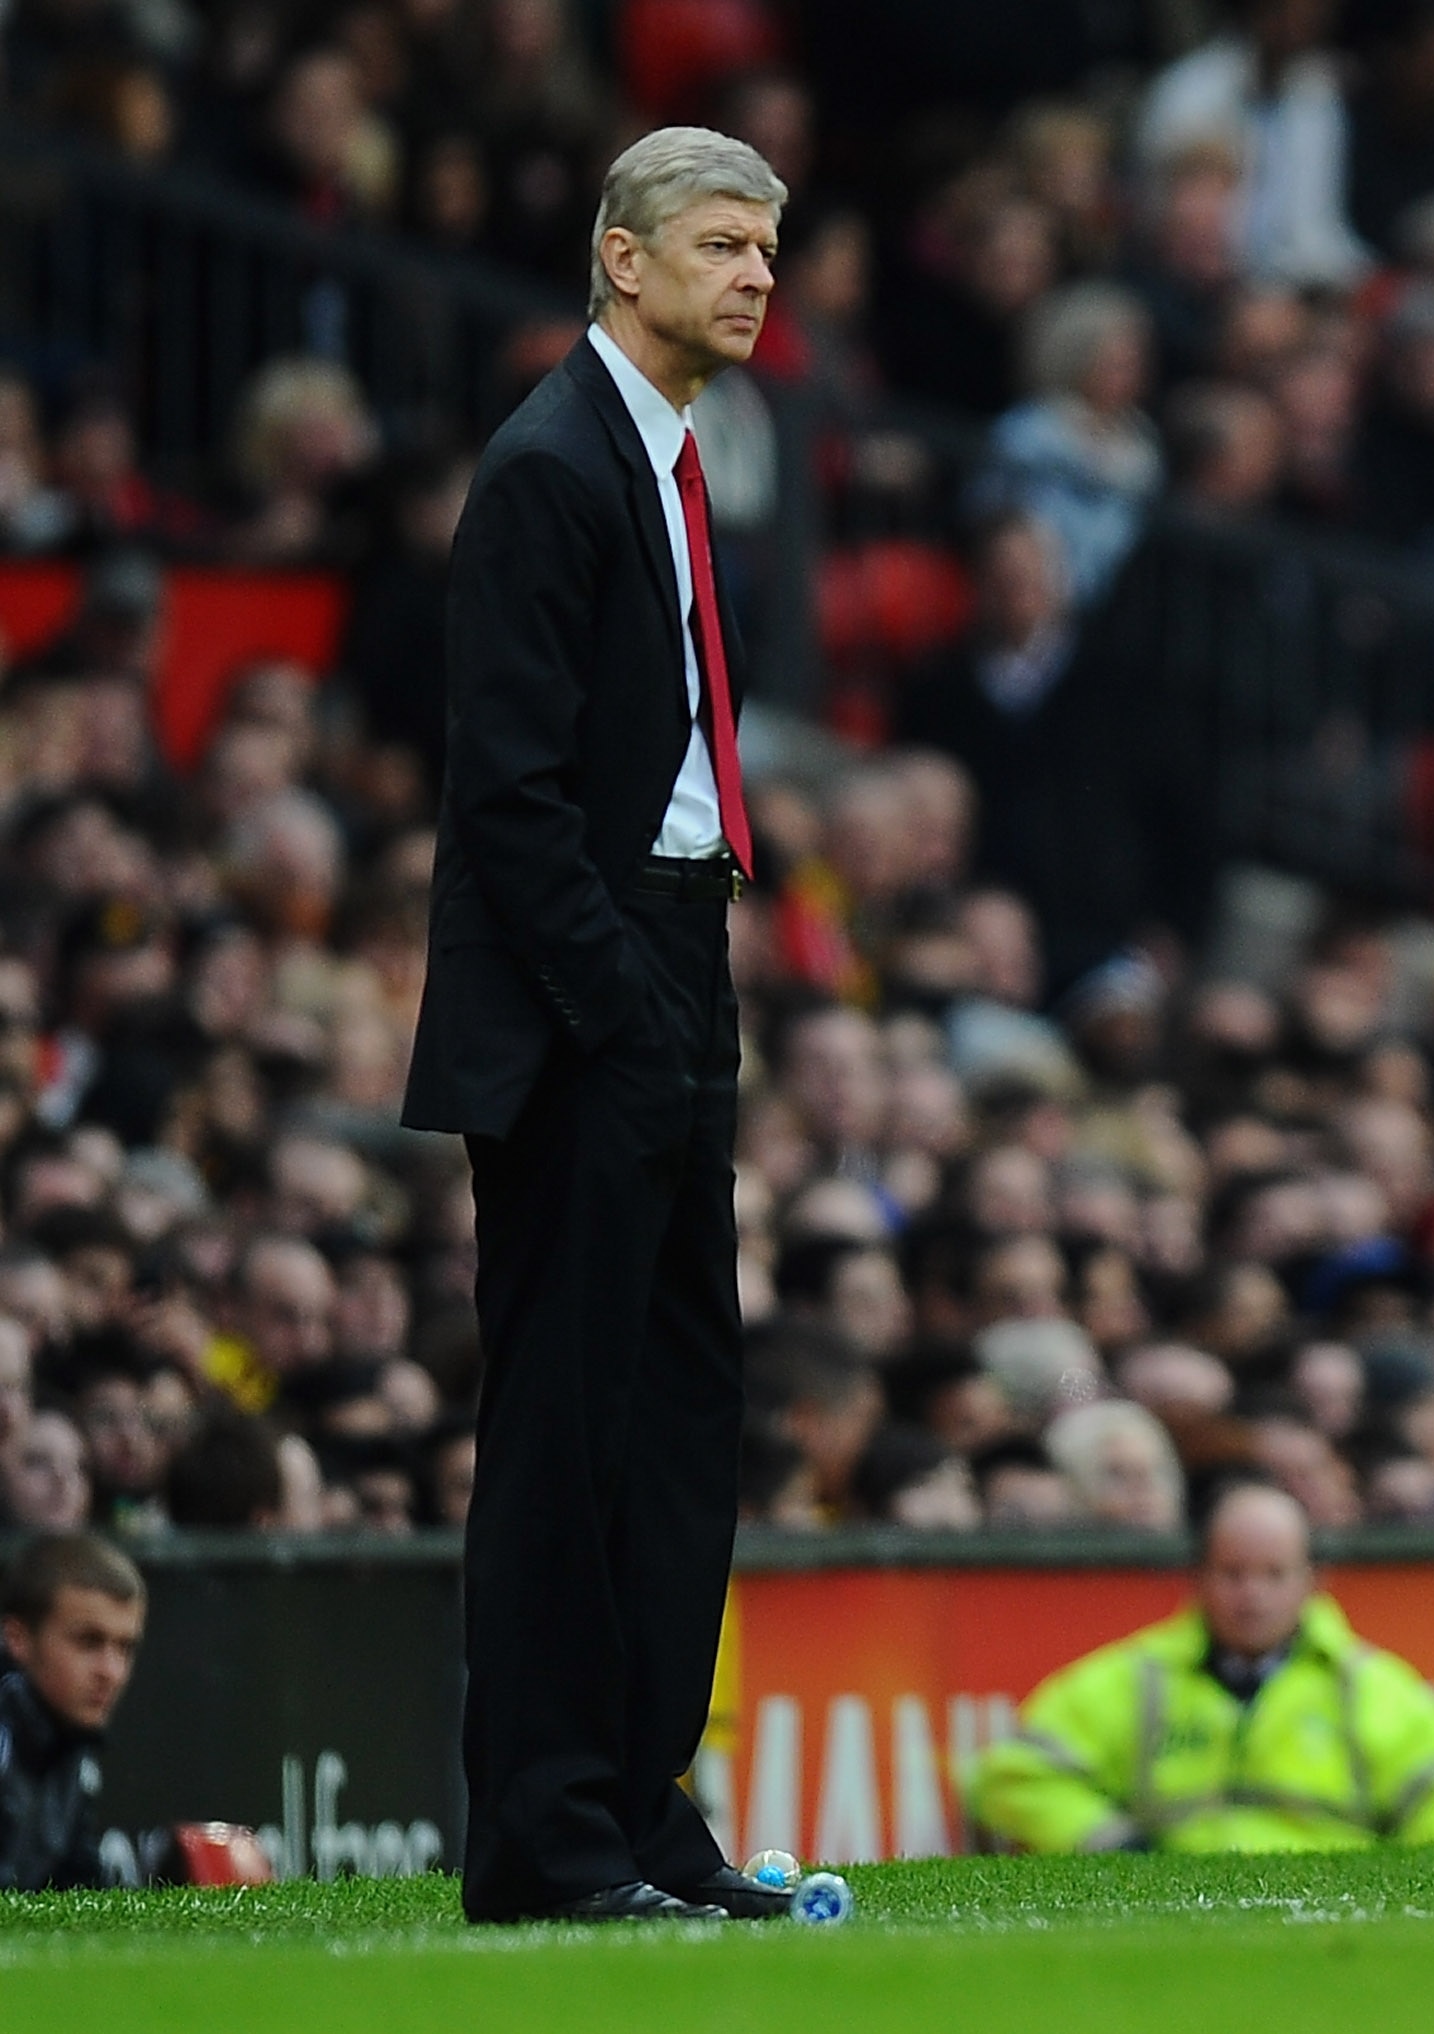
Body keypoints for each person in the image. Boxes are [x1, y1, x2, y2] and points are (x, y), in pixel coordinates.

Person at [400, 126, 790, 1927]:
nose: (757, 274)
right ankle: (545, 1832)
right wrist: (624, 1001)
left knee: (679, 1412)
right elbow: (509, 795)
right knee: (567, 1415)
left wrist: (686, 988)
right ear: (622, 261)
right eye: (722, 242)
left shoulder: (666, 461)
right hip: (589, 984)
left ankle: (642, 1805)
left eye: (767, 248)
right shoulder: (551, 469)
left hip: (676, 956)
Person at [967, 1478, 1434, 1851]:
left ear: (1310, 1580)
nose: (1251, 1595)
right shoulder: (1134, 1679)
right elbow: (1012, 1777)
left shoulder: (1372, 1688)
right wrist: (1118, 1851)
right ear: (1199, 1576)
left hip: (1334, 1928)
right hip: (1171, 1925)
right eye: (1233, 1573)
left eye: (1273, 1574)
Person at [0, 1531, 145, 1890]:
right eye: (88, 1642)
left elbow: (78, 1889)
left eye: (125, 1648)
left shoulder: (70, 1742)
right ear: (18, 1638)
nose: (111, 1672)